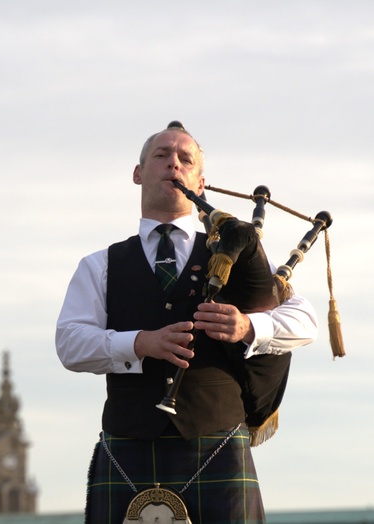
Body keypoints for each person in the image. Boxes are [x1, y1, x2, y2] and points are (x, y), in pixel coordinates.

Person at [55, 121, 318, 523]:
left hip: (218, 443)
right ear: (138, 173)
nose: (172, 164)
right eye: (161, 155)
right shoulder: (101, 265)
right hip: (129, 442)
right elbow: (70, 343)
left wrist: (248, 328)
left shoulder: (235, 251)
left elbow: (305, 320)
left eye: (184, 158)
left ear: (201, 181)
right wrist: (140, 343)